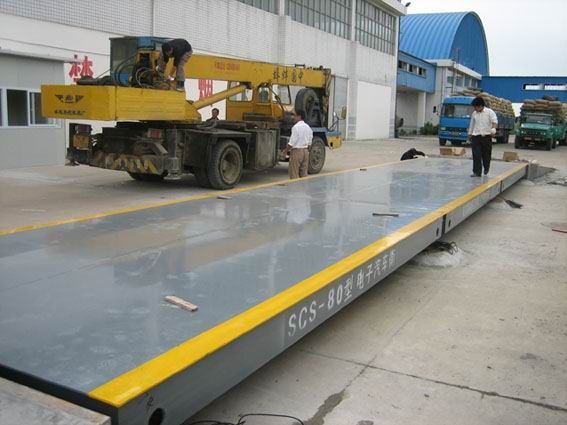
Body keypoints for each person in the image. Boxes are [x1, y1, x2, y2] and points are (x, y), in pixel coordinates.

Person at [468, 96, 497, 177]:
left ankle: (486, 167)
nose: (475, 108)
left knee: (486, 155)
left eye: (475, 107)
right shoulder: (474, 113)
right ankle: (477, 172)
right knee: (476, 155)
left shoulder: (489, 112)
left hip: (486, 137)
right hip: (476, 137)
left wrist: (493, 129)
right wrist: (470, 134)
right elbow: (472, 124)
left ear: (480, 106)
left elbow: (494, 121)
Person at [283, 109, 312, 179]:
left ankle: (295, 186)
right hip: (305, 152)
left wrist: (285, 151)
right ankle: (304, 186)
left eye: (294, 115)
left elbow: (292, 142)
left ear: (299, 116)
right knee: (304, 175)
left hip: (297, 152)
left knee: (294, 174)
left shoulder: (296, 127)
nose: (293, 117)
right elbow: (310, 142)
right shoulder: (308, 127)